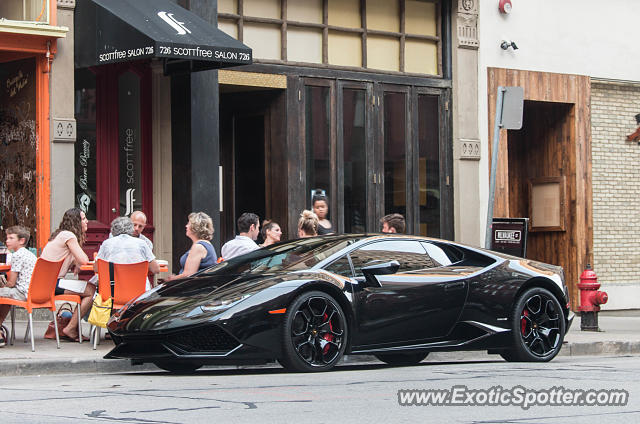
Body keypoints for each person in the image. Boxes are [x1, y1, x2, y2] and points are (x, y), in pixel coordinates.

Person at [40, 208, 92, 342]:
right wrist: (79, 262)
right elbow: (84, 260)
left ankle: (71, 326)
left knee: (89, 288)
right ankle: (70, 328)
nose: (87, 221)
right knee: (91, 291)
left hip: (45, 282)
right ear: (76, 222)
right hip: (53, 283)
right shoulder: (69, 236)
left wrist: (76, 263)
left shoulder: (61, 235)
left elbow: (75, 260)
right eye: (84, 218)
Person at [93, 217, 160, 290]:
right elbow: (156, 269)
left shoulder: (107, 244)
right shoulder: (142, 244)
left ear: (113, 230)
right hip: (139, 294)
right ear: (131, 229)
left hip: (112, 292)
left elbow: (96, 268)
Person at [0, 226, 37, 345]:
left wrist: (3, 285)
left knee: (4, 294)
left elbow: (11, 283)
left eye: (11, 238)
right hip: (32, 292)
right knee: (6, 297)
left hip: (22, 293)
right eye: (7, 238)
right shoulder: (28, 254)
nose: (7, 241)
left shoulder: (17, 255)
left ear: (22, 241)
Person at [167, 212, 217, 280]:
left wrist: (171, 279)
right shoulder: (204, 245)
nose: (186, 226)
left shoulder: (198, 247)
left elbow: (188, 274)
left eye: (189, 223)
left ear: (196, 227)